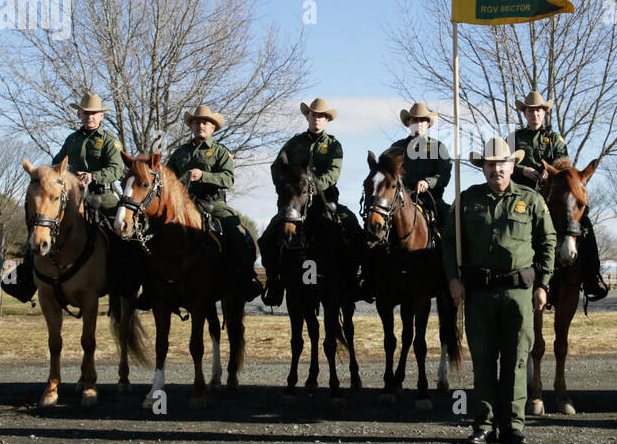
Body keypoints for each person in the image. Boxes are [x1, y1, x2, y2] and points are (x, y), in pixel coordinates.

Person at [443, 138, 555, 444]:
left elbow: (548, 242)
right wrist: (453, 279)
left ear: (512, 165)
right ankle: (484, 423)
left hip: (519, 293)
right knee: (482, 359)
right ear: (483, 167)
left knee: (517, 359)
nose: (496, 169)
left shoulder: (531, 200)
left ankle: (513, 424)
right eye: (490, 164)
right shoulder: (466, 200)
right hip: (479, 293)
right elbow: (450, 243)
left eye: (501, 163)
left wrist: (544, 284)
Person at [2, 91, 124, 303]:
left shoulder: (109, 141)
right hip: (69, 197)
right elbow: (56, 164)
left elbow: (117, 169)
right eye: (85, 113)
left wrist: (94, 176)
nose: (90, 117)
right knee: (40, 223)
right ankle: (25, 281)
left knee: (122, 233)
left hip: (100, 196)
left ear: (101, 116)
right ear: (79, 115)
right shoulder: (71, 139)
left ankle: (126, 281)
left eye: (94, 113)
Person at [259, 98, 362, 305]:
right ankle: (274, 281)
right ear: (307, 117)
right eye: (314, 115)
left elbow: (334, 173)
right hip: (295, 202)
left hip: (325, 201)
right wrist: (286, 187)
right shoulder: (294, 143)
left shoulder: (333, 145)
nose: (317, 119)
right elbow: (276, 167)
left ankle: (353, 281)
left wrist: (313, 187)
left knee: (353, 228)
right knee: (267, 238)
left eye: (321, 116)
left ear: (326, 120)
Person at [511, 91, 610, 301]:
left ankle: (592, 277)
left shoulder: (555, 139)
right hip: (521, 192)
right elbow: (504, 163)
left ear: (544, 113)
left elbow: (564, 164)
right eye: (530, 110)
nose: (534, 114)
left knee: (585, 225)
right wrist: (523, 171)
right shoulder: (515, 138)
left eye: (538, 110)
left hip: (552, 192)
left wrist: (551, 172)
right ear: (525, 113)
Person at [165, 104, 263, 300]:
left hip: (213, 205)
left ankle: (246, 279)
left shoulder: (220, 152)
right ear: (192, 126)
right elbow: (167, 179)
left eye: (205, 123)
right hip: (183, 206)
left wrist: (204, 176)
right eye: (197, 122)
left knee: (238, 235)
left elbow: (228, 179)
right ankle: (154, 285)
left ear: (213, 128)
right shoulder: (179, 153)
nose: (201, 125)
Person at [386, 100, 452, 227]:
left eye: (422, 120)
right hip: (399, 198)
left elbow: (444, 175)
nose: (418, 123)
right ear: (408, 123)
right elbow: (387, 172)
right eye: (415, 120)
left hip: (430, 198)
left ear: (428, 124)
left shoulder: (438, 147)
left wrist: (428, 182)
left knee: (451, 220)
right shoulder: (396, 147)